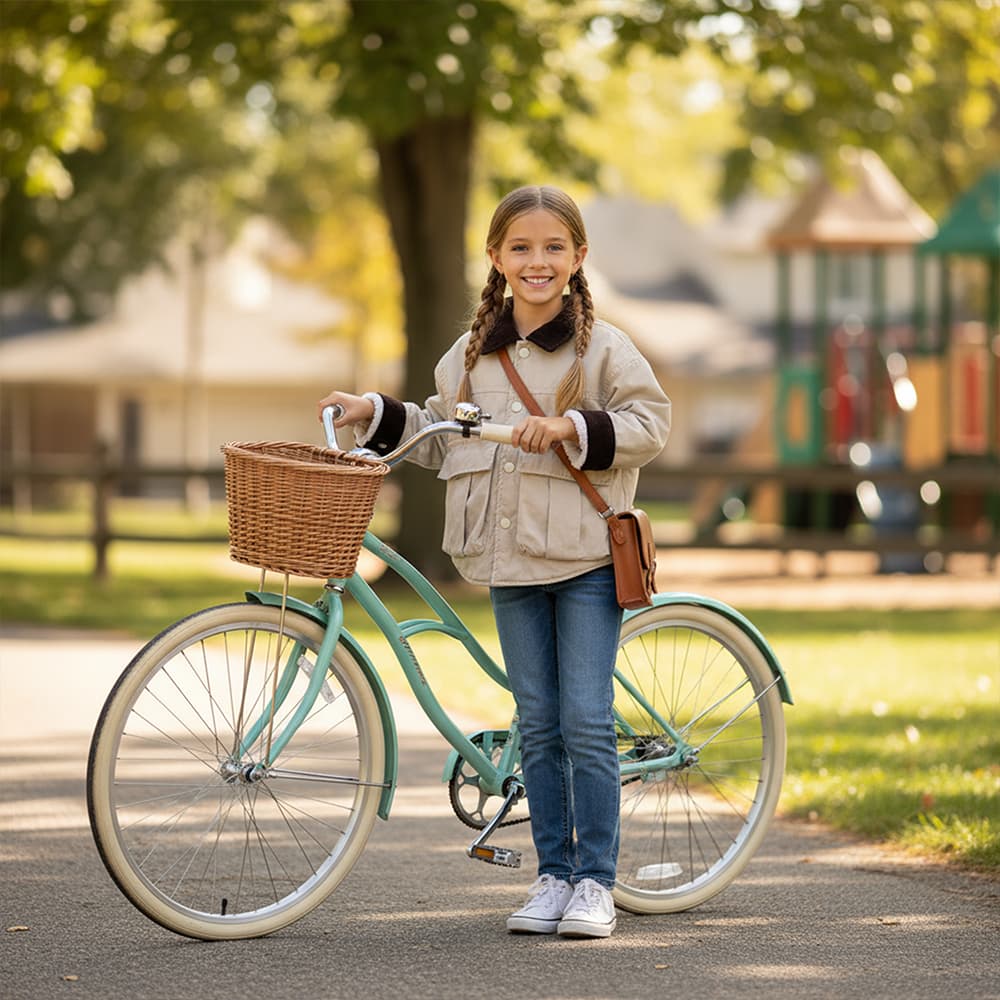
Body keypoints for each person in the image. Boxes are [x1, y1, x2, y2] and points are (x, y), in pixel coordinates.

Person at [317, 185, 670, 939]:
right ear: (496, 258)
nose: (536, 262)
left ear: (578, 258)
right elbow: (439, 427)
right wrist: (375, 413)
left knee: (583, 717)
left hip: (582, 561)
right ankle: (552, 875)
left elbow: (651, 421)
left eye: (552, 248)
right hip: (509, 562)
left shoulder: (604, 348)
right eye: (521, 248)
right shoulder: (473, 354)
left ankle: (596, 883)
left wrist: (573, 424)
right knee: (537, 722)